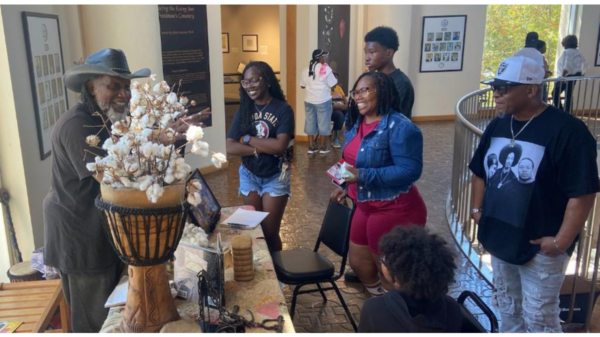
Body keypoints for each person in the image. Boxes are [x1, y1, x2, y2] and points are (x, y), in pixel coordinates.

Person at [43, 48, 209, 332]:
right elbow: (118, 180)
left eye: (127, 87)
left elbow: (133, 155)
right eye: (114, 86)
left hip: (103, 232)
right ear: (91, 85)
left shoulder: (107, 118)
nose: (124, 94)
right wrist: (167, 144)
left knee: (117, 312)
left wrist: (168, 136)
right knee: (95, 321)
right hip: (80, 239)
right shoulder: (78, 125)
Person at [469, 54, 599, 332]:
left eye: (504, 88)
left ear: (531, 89)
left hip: (541, 247)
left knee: (540, 317)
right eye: (495, 87)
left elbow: (583, 192)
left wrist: (561, 241)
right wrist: (477, 211)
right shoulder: (498, 124)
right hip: (501, 239)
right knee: (507, 307)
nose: (496, 94)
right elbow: (479, 170)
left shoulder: (569, 132)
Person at [331, 72, 427, 296]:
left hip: (394, 208)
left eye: (366, 90)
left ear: (382, 92)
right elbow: (349, 158)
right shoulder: (356, 122)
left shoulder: (401, 127)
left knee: (389, 273)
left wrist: (362, 175)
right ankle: (380, 301)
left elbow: (410, 171)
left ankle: (396, 314)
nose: (359, 96)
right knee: (359, 263)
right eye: (356, 92)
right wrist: (342, 184)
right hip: (364, 204)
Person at [227, 61, 294, 252]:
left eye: (254, 81)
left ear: (267, 80)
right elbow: (230, 146)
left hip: (275, 175)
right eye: (245, 82)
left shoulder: (283, 109)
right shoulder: (245, 111)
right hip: (249, 175)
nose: (249, 86)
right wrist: (260, 148)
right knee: (254, 229)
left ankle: (278, 276)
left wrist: (247, 139)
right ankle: (263, 270)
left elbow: (280, 146)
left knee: (270, 232)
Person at [358, 226, 462, 332]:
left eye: (384, 261)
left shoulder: (374, 309)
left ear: (398, 281)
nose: (381, 260)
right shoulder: (452, 308)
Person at [364, 26, 414, 120]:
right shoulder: (373, 79)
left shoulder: (401, 83)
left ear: (389, 53)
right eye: (365, 52)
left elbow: (391, 118)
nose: (367, 58)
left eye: (371, 52)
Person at [300, 49, 337, 154]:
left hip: (309, 100)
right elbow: (333, 84)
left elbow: (302, 85)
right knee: (323, 123)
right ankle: (323, 147)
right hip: (323, 100)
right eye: (323, 57)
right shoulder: (326, 69)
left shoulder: (306, 69)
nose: (324, 59)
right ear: (320, 58)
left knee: (310, 122)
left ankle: (311, 147)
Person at [552, 35, 589, 113]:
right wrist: (581, 75)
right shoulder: (578, 52)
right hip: (574, 77)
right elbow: (585, 65)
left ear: (566, 43)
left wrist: (562, 76)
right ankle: (567, 112)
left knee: (554, 93)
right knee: (568, 95)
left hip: (565, 77)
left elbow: (567, 66)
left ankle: (560, 111)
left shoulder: (567, 52)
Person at [331, 71, 348, 149]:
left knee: (346, 112)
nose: (335, 79)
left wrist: (345, 106)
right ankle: (336, 138)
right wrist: (336, 106)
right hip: (330, 110)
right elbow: (325, 104)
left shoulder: (339, 88)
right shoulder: (326, 89)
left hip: (340, 108)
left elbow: (345, 101)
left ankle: (348, 135)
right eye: (333, 78)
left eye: (336, 78)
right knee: (340, 115)